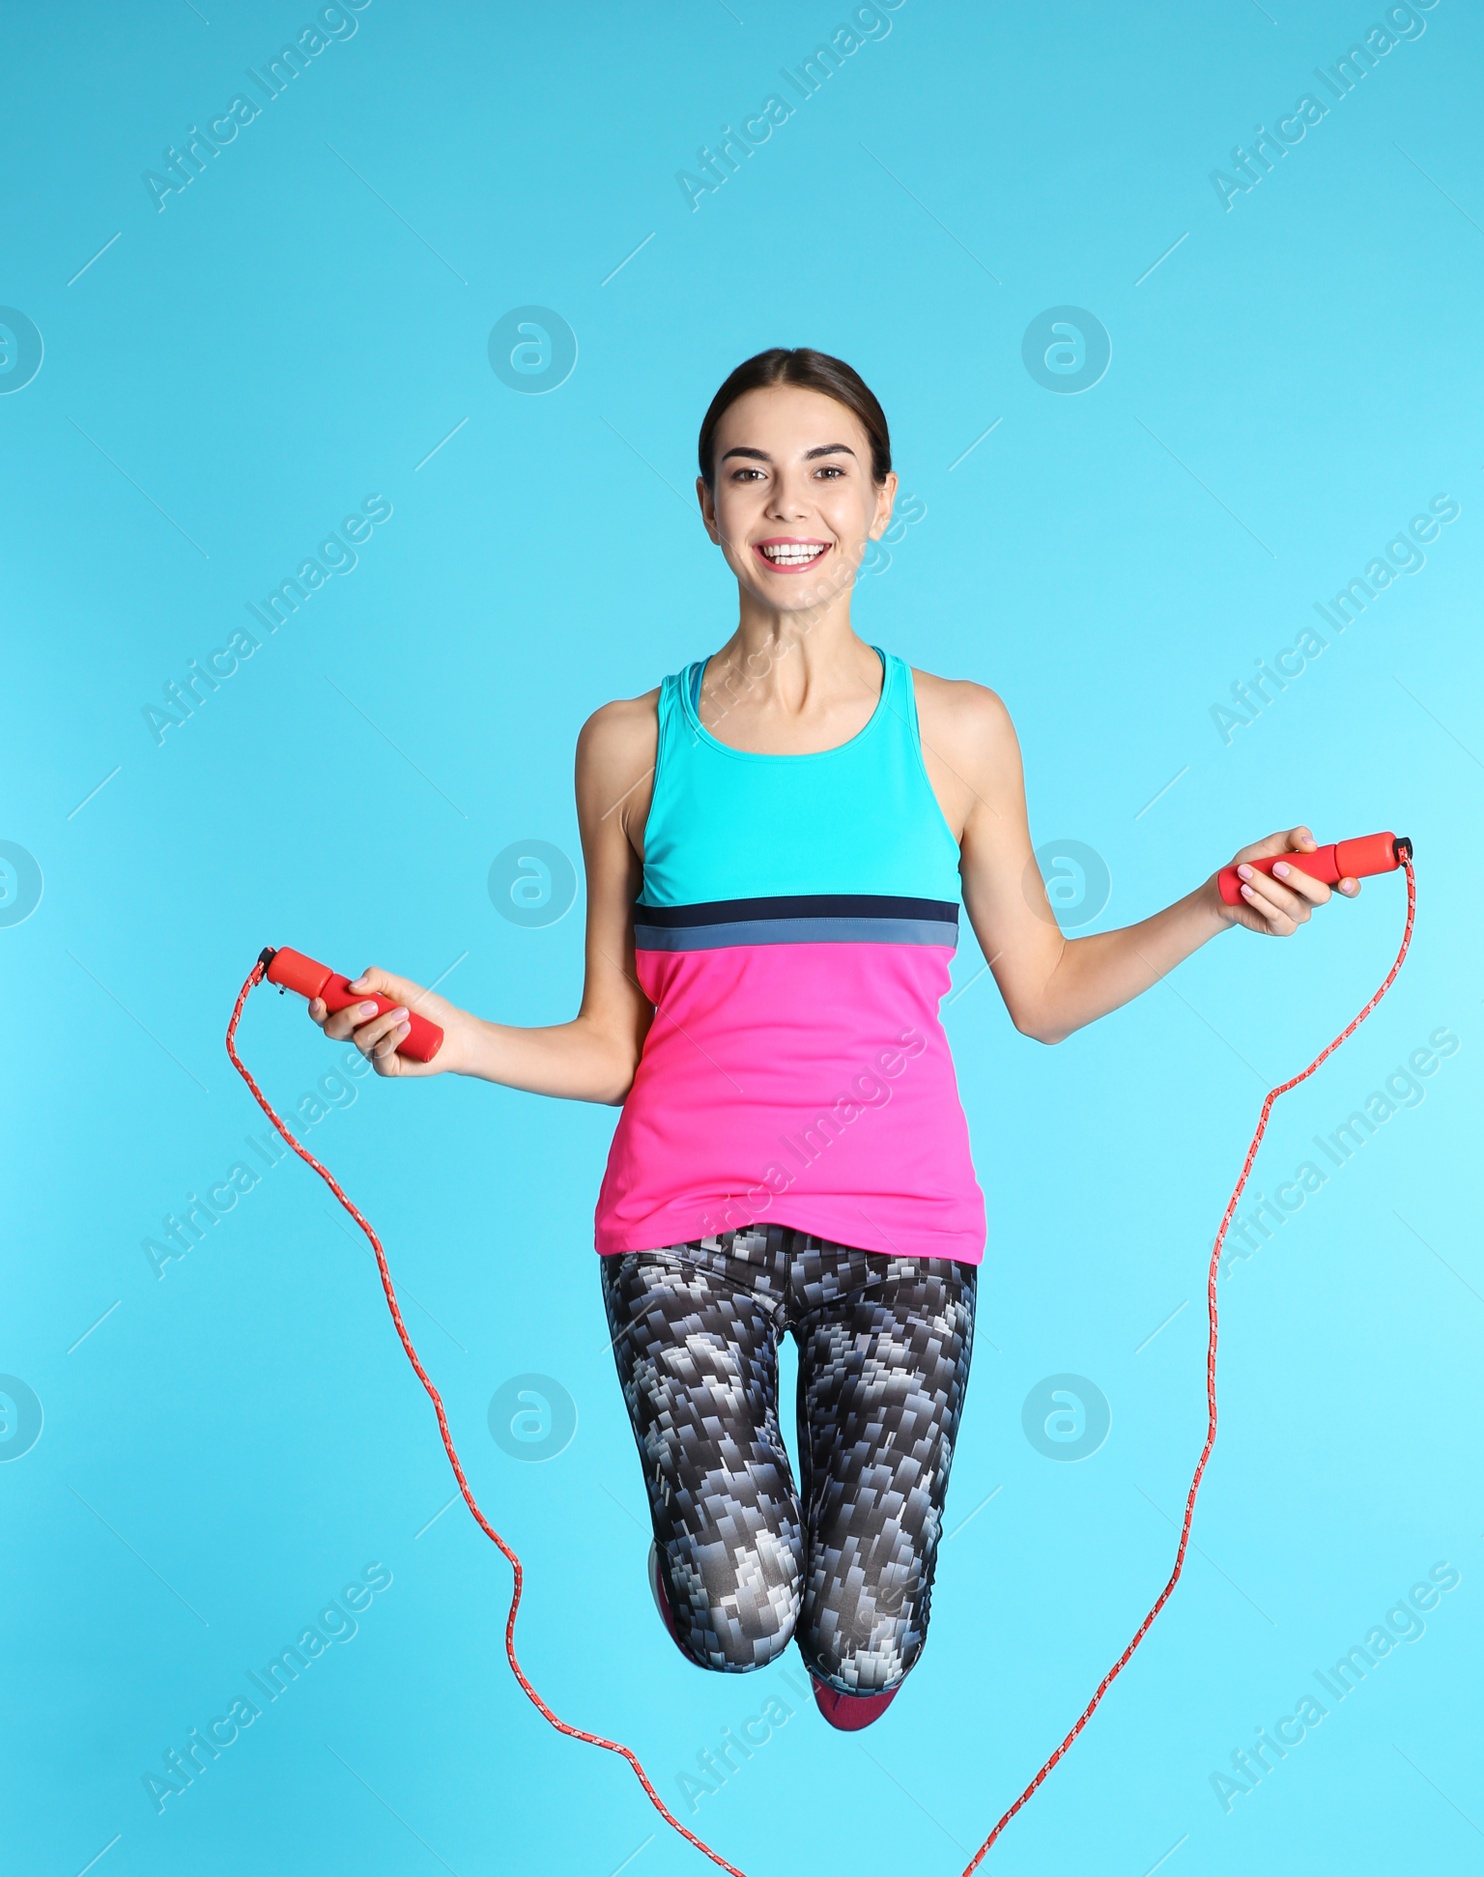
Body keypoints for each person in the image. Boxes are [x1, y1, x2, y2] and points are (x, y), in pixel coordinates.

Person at [307, 346, 1363, 1733]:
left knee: (861, 1656)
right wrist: (454, 1040)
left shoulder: (961, 731)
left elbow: (1040, 990)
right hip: (683, 1226)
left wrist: (1220, 904)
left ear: (881, 504)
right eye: (750, 474)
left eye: (826, 472)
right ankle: (708, 1555)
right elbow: (616, 1048)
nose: (786, 505)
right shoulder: (629, 745)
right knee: (741, 1621)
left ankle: (806, 1598)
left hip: (903, 1226)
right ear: (706, 509)